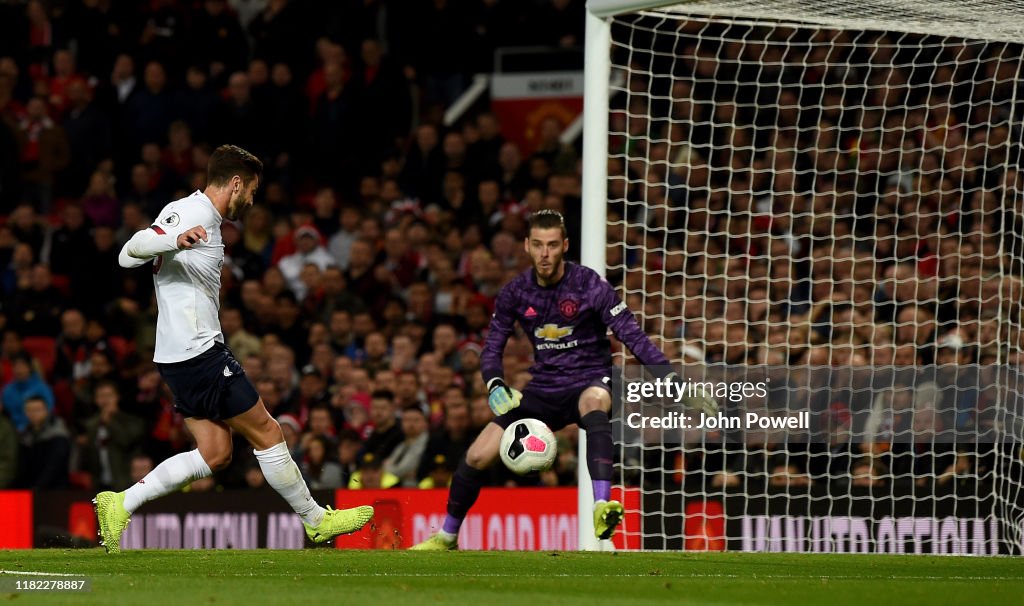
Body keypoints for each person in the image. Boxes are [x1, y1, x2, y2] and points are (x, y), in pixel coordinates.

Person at [94, 145, 372, 554]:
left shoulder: (206, 218)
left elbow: (131, 253)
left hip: (179, 355)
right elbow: (128, 251)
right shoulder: (192, 213)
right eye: (252, 191)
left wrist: (172, 240)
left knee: (216, 453)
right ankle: (316, 521)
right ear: (236, 183)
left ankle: (121, 503)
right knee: (267, 431)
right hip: (197, 351)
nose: (253, 201)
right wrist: (174, 236)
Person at [411, 210, 716, 550]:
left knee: (594, 403)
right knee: (477, 455)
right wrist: (494, 383)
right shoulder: (515, 292)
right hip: (543, 388)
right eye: (538, 245)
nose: (545, 253)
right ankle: (447, 536)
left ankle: (602, 505)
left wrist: (675, 386)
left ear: (565, 246)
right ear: (527, 246)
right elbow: (492, 346)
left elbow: (634, 338)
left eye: (553, 245)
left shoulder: (589, 285)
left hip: (589, 378)